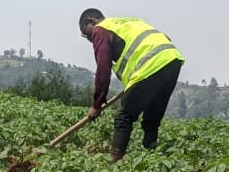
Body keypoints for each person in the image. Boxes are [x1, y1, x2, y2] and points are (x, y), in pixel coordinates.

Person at [79, 9, 185, 161]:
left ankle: (114, 163)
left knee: (124, 117)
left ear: (91, 22)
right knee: (151, 120)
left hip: (149, 66)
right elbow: (164, 36)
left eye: (86, 34)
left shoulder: (100, 30)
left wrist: (96, 104)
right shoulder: (127, 22)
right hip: (171, 60)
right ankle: (153, 161)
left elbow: (103, 68)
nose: (89, 39)